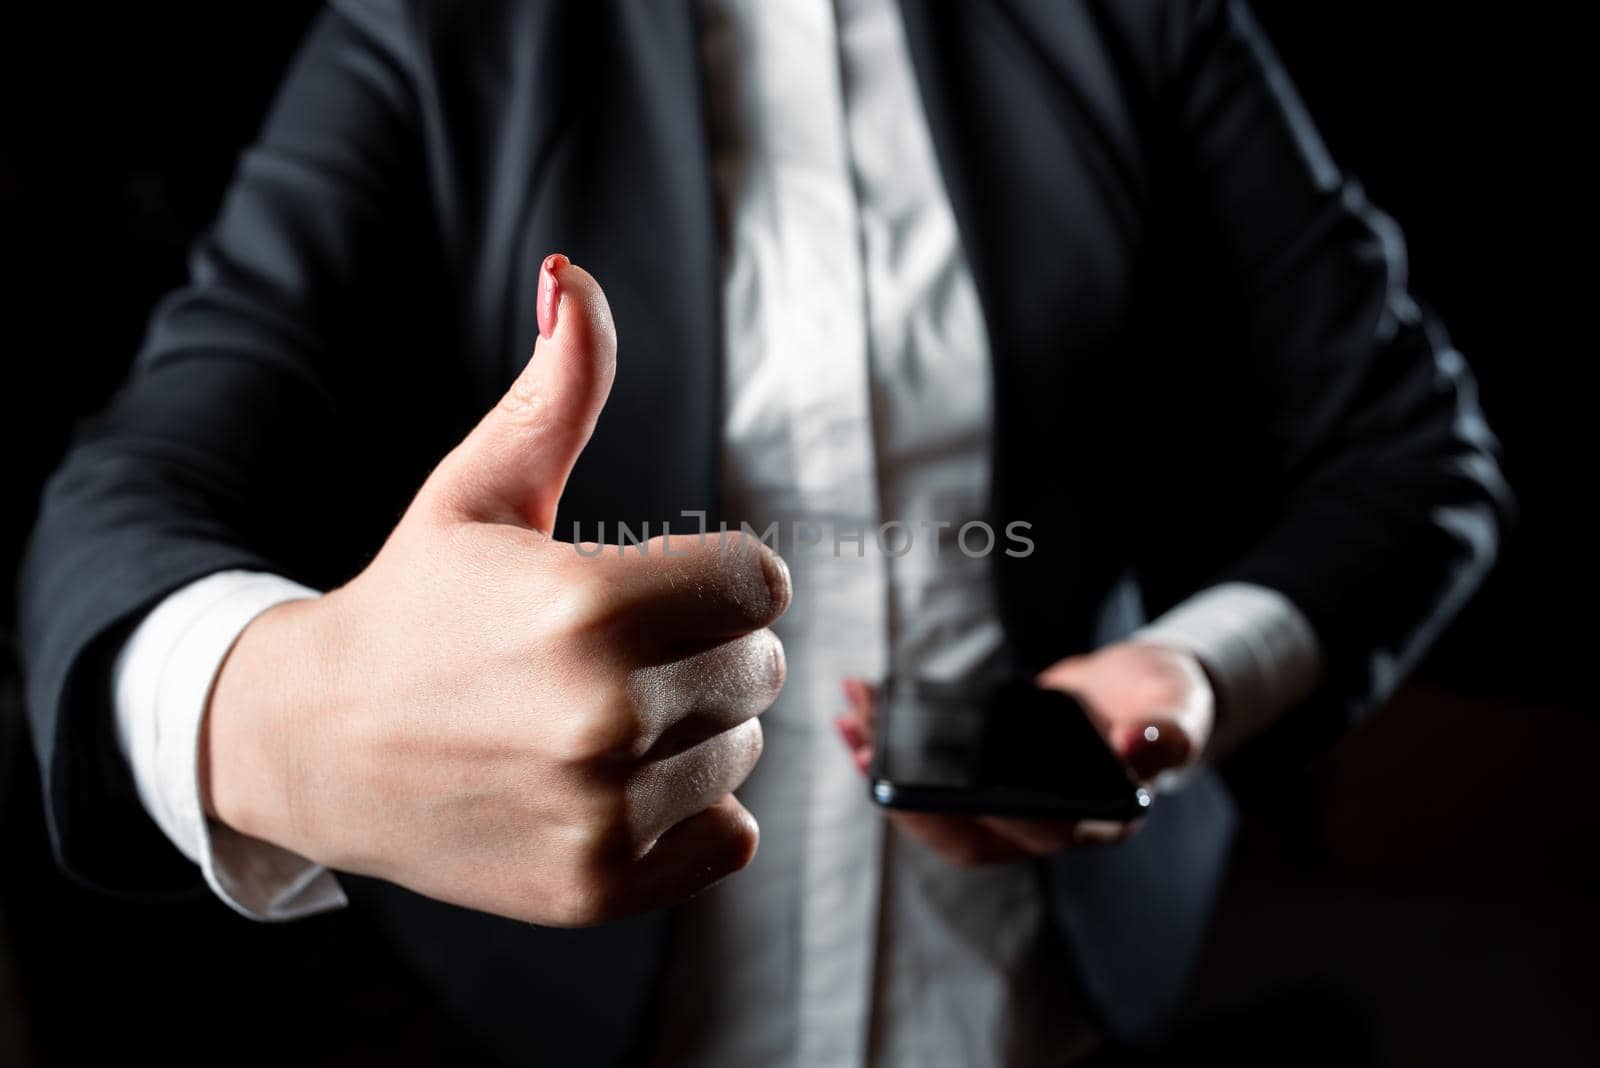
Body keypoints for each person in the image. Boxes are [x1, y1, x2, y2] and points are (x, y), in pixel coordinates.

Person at [17, 0, 1510, 1064]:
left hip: (1052, 986)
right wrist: (294, 723)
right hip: (573, 1017)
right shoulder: (426, 29)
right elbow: (135, 480)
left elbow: (1414, 450)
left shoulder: (1146, 23)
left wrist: (1189, 675)